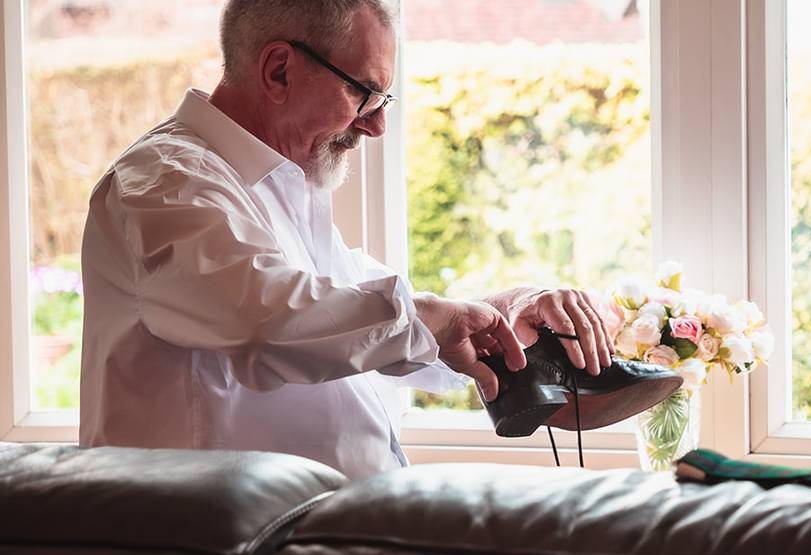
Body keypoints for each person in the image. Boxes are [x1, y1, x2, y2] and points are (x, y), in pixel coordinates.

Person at [79, 0, 613, 480]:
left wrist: (495, 312)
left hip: (305, 544)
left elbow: (347, 310)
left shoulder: (279, 186)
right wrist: (431, 319)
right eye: (364, 92)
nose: (377, 125)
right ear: (279, 70)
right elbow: (268, 319)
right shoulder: (167, 182)